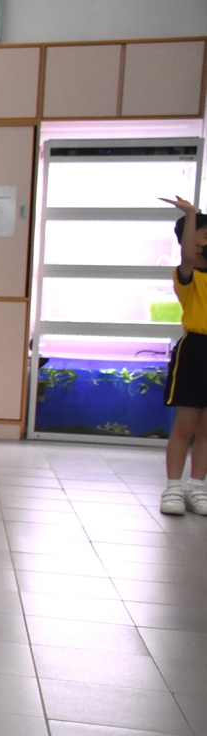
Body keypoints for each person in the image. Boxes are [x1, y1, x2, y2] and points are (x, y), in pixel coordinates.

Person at [161, 198, 207, 515]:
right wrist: (191, 214)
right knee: (185, 425)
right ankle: (173, 488)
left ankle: (198, 487)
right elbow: (189, 254)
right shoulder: (187, 274)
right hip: (195, 351)